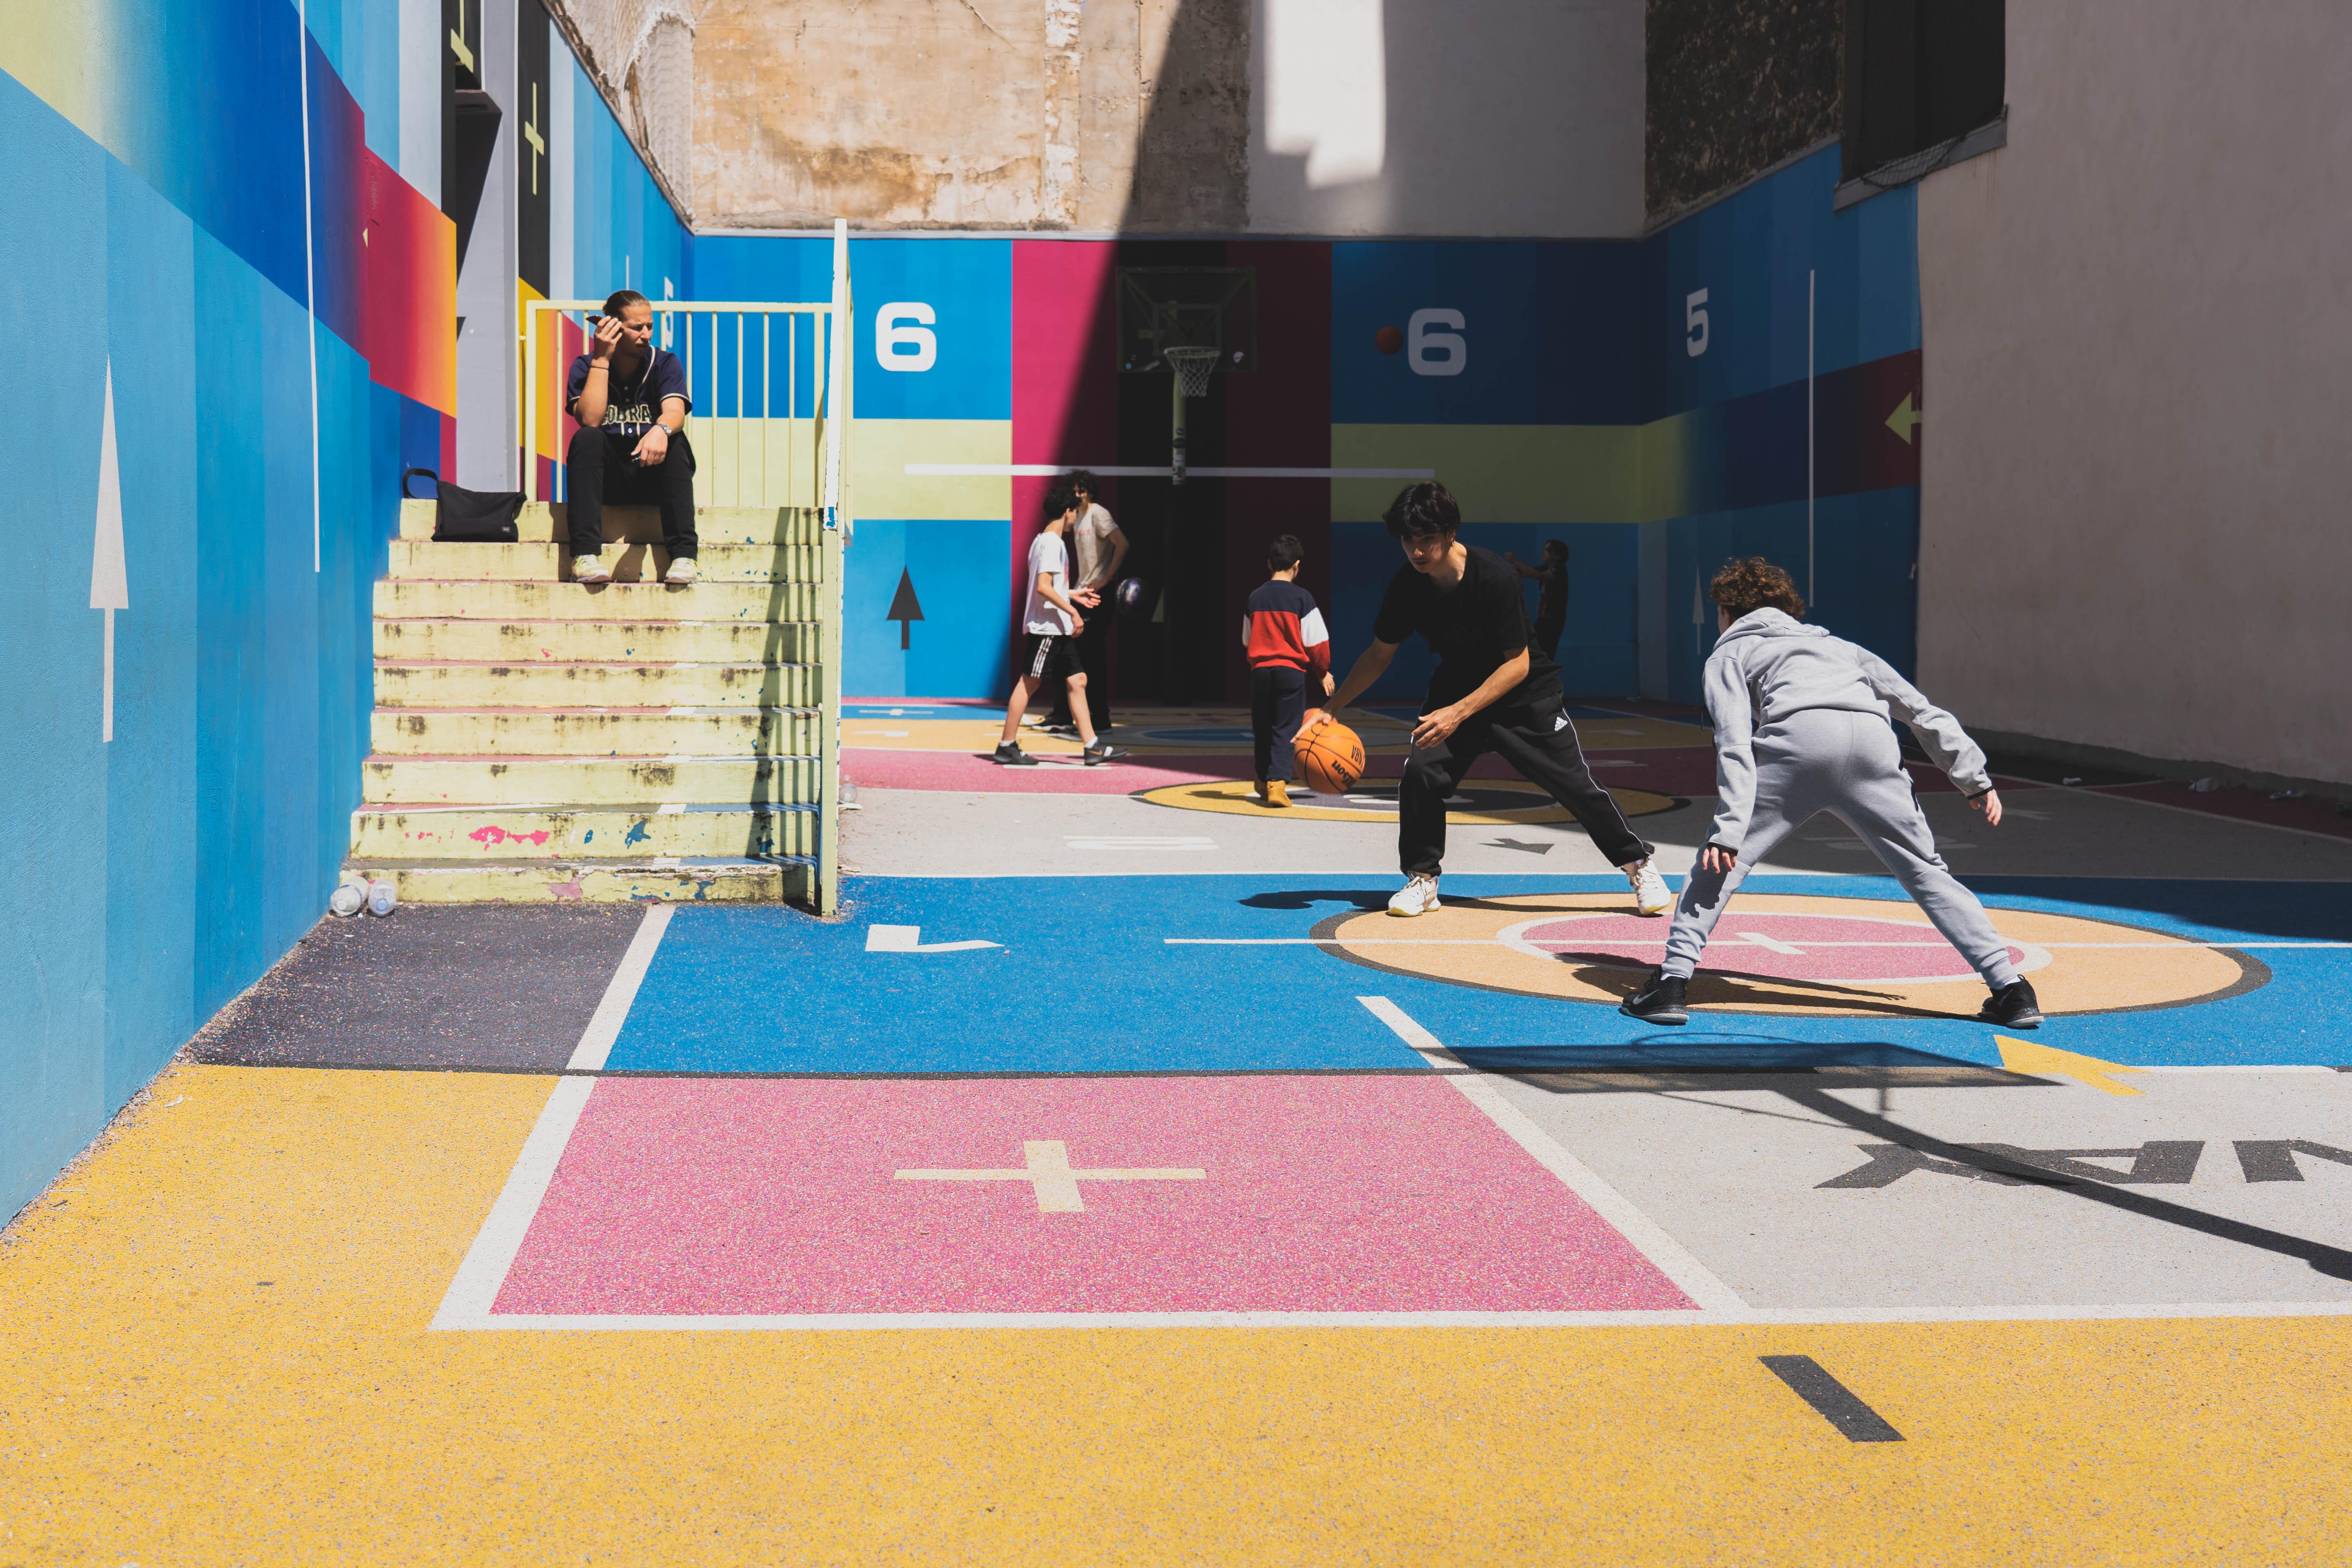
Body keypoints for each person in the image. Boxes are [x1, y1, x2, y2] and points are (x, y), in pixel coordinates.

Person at [1618, 557, 2042, 1028]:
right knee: (1926, 871)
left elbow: (1734, 741)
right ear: (1786, 607)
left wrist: (1729, 829)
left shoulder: (1729, 653)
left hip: (1799, 742)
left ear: (1726, 611)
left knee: (1720, 863)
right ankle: (2012, 990)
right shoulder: (1842, 648)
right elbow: (1920, 711)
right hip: (1873, 744)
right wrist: (1972, 777)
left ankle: (1672, 983)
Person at [1305, 482, 1671, 918]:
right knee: (1421, 774)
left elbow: (1515, 665)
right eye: (1408, 540)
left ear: (1450, 533)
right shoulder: (1408, 586)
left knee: (1573, 785)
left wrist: (1457, 712)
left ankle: (1639, 864)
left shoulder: (1495, 576)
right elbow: (1379, 653)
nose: (1417, 551)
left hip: (1525, 696)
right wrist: (1331, 708)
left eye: (1427, 539)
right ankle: (1422, 879)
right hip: (1457, 687)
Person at [563, 289, 698, 586]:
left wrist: (660, 431)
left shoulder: (665, 363)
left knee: (675, 439)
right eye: (637, 327)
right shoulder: (585, 366)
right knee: (587, 439)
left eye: (650, 326)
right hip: (608, 482)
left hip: (651, 475)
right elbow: (590, 419)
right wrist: (602, 359)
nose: (646, 334)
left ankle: (684, 557)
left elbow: (675, 412)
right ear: (612, 327)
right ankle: (585, 555)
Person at [994, 486, 1129, 767]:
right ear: (1067, 512)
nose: (1075, 521)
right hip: (1047, 628)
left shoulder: (1043, 541)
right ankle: (1006, 745)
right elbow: (1043, 588)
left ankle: (1092, 747)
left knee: (1078, 681)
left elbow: (1050, 587)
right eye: (1074, 515)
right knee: (1028, 684)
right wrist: (1074, 613)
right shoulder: (1052, 543)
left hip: (1058, 627)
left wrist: (1074, 595)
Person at [1241, 534, 1334, 808]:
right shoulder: (1303, 598)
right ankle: (1277, 784)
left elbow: (1247, 640)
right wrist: (1323, 672)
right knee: (1286, 727)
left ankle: (1261, 779)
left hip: (1260, 671)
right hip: (1290, 672)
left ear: (1269, 564)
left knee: (1263, 726)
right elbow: (1317, 641)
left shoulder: (1255, 598)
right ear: (1297, 566)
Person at [1041, 471, 1129, 735]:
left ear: (1091, 492)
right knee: (1069, 655)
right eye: (1075, 491)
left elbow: (1123, 544)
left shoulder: (1098, 514)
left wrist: (1105, 579)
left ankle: (1100, 719)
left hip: (1096, 596)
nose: (1079, 495)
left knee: (1089, 658)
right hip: (1082, 594)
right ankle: (1064, 715)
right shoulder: (1076, 517)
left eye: (1083, 490)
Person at [1504, 539, 1570, 661]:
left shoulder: (1560, 570)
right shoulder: (1545, 567)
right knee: (1534, 651)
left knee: (1545, 654)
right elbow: (1529, 572)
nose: (1543, 552)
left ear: (1557, 556)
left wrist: (1516, 561)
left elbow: (1539, 575)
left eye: (1547, 551)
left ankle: (1547, 677)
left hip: (1553, 621)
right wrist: (1514, 568)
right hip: (1542, 619)